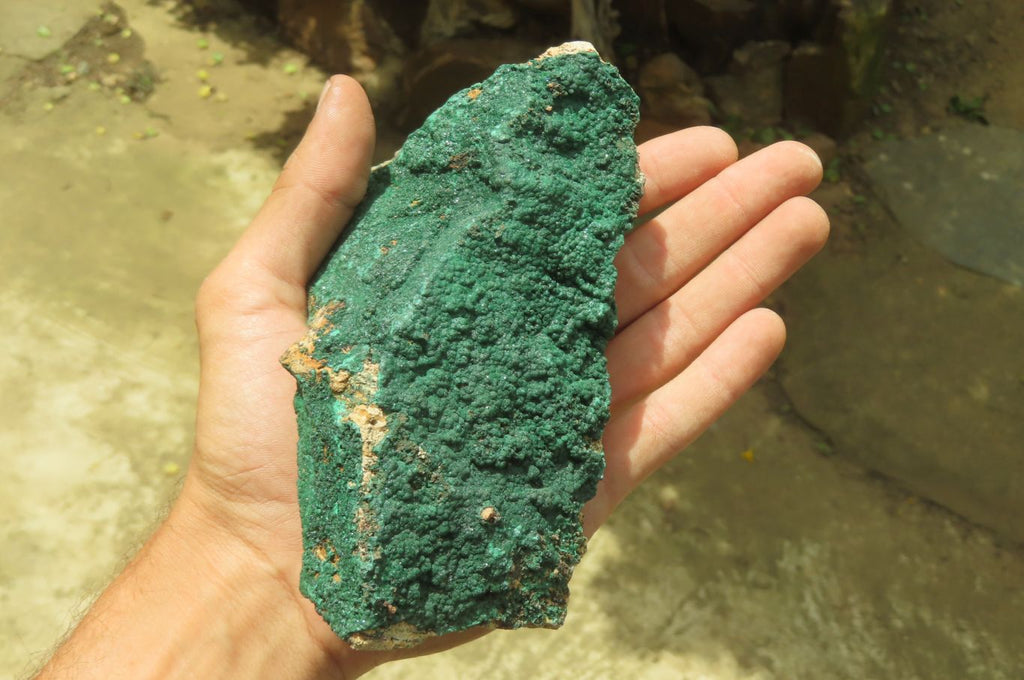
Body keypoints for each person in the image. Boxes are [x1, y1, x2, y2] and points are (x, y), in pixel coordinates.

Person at [36, 75, 828, 679]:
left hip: (439, 532)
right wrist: (244, 558)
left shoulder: (511, 208)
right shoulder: (456, 218)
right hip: (400, 539)